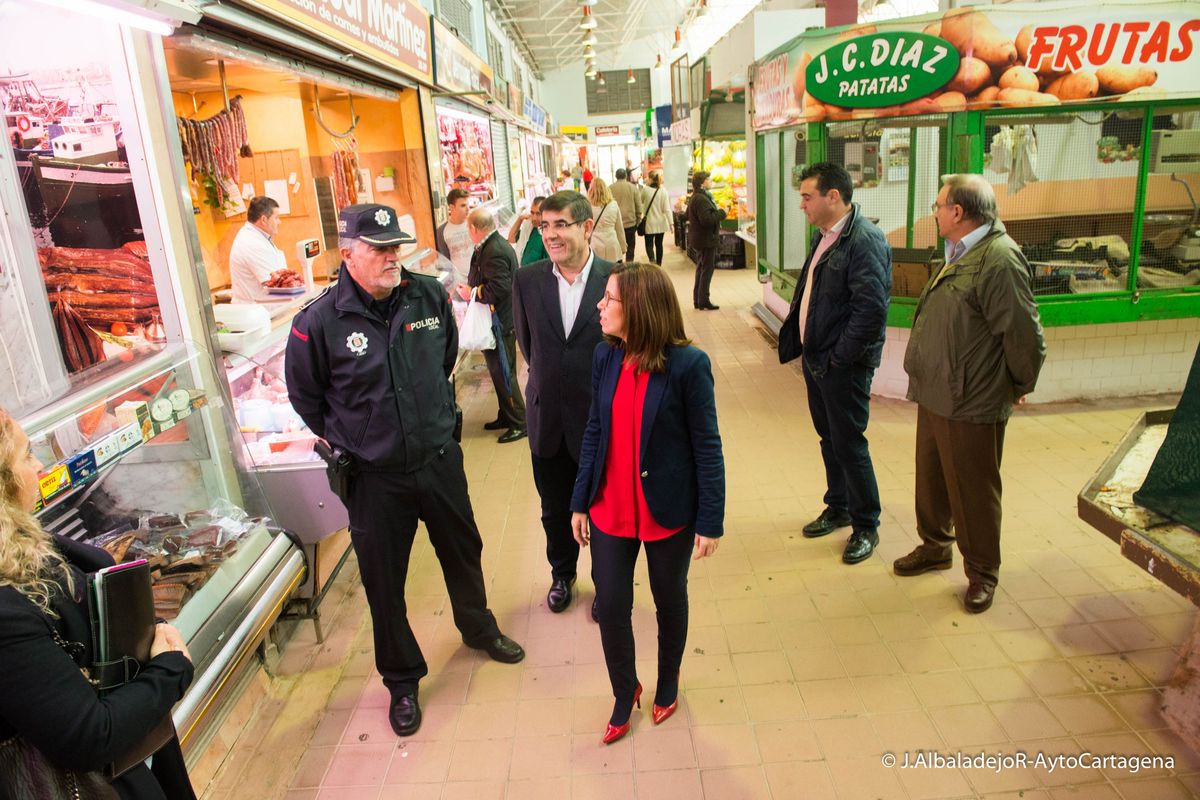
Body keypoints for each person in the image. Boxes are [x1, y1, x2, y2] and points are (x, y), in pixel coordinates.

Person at [286, 203, 524, 738]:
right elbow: (306, 397)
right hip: (374, 479)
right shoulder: (318, 322)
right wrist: (359, 435)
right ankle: (401, 679)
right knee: (384, 582)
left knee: (463, 550)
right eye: (380, 248)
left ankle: (477, 627)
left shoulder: (426, 295)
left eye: (397, 246)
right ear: (347, 253)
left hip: (438, 459)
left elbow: (443, 360)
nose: (394, 257)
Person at [0, 408, 196, 800]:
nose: (38, 465)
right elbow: (89, 736)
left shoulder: (20, 545)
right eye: (25, 456)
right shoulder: (6, 615)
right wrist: (170, 670)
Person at [569, 261, 725, 745]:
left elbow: (707, 446)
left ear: (637, 307)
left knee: (668, 599)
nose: (599, 305)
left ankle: (670, 679)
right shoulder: (605, 357)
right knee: (611, 604)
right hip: (611, 506)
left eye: (609, 298)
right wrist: (579, 501)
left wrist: (710, 520)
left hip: (667, 509)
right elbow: (595, 428)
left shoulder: (688, 365)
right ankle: (624, 688)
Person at [895, 174, 1046, 613]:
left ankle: (982, 572)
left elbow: (1023, 334)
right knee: (933, 479)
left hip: (973, 398)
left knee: (973, 490)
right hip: (938, 392)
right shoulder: (961, 251)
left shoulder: (999, 259)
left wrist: (1020, 383)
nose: (935, 212)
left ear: (958, 212)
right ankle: (936, 546)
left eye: (939, 205)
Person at [777, 162, 891, 566]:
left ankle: (866, 525)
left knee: (849, 443)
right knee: (830, 439)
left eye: (808, 197)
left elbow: (870, 312)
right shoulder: (825, 235)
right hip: (818, 360)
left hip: (842, 365)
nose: (802, 205)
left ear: (834, 196)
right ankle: (838, 506)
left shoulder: (864, 240)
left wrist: (838, 359)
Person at [512, 191, 613, 616]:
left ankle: (608, 584)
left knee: (606, 509)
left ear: (586, 227)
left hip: (601, 420)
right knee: (554, 508)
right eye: (544, 226)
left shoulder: (616, 278)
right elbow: (528, 344)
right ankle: (562, 574)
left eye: (560, 225)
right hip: (549, 418)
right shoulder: (528, 279)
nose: (550, 235)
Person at [463, 207, 526, 443]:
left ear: (474, 228)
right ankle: (506, 415)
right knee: (498, 371)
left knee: (503, 371)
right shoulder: (493, 244)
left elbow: (499, 288)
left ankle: (520, 422)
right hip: (496, 320)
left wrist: (472, 292)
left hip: (500, 321)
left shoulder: (493, 251)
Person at [229, 195, 288, 303]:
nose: (279, 222)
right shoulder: (251, 243)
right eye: (276, 218)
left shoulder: (258, 237)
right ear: (264, 220)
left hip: (267, 310)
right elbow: (274, 283)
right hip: (255, 313)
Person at [685, 171, 725, 310]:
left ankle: (698, 299)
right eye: (709, 179)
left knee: (701, 268)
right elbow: (707, 220)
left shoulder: (696, 197)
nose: (711, 181)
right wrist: (722, 212)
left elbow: (686, 215)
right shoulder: (701, 199)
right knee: (706, 270)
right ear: (703, 182)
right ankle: (703, 300)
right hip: (706, 239)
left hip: (699, 238)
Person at [435, 188, 474, 276]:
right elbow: (444, 261)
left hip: (478, 278)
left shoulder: (474, 224)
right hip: (458, 281)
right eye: (463, 205)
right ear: (452, 207)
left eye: (468, 205)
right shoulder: (441, 232)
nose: (468, 209)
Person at [587, 178, 626, 264]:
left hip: (595, 246)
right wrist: (623, 246)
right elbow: (619, 229)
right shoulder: (613, 205)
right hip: (612, 244)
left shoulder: (588, 207)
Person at [609, 168, 643, 263]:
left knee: (618, 246)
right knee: (631, 246)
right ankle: (629, 264)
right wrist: (638, 218)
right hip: (630, 222)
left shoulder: (610, 188)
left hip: (615, 224)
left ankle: (619, 265)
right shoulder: (633, 188)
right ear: (626, 176)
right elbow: (638, 205)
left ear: (616, 176)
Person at [640, 170, 671, 266]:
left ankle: (652, 261)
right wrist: (671, 223)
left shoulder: (645, 190)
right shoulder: (663, 191)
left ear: (650, 179)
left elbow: (641, 201)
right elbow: (667, 209)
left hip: (649, 222)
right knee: (659, 244)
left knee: (649, 244)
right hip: (661, 223)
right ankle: (659, 264)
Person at [507, 195, 549, 266]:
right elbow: (511, 238)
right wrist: (520, 219)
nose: (534, 218)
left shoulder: (548, 235)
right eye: (532, 213)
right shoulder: (529, 228)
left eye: (538, 214)